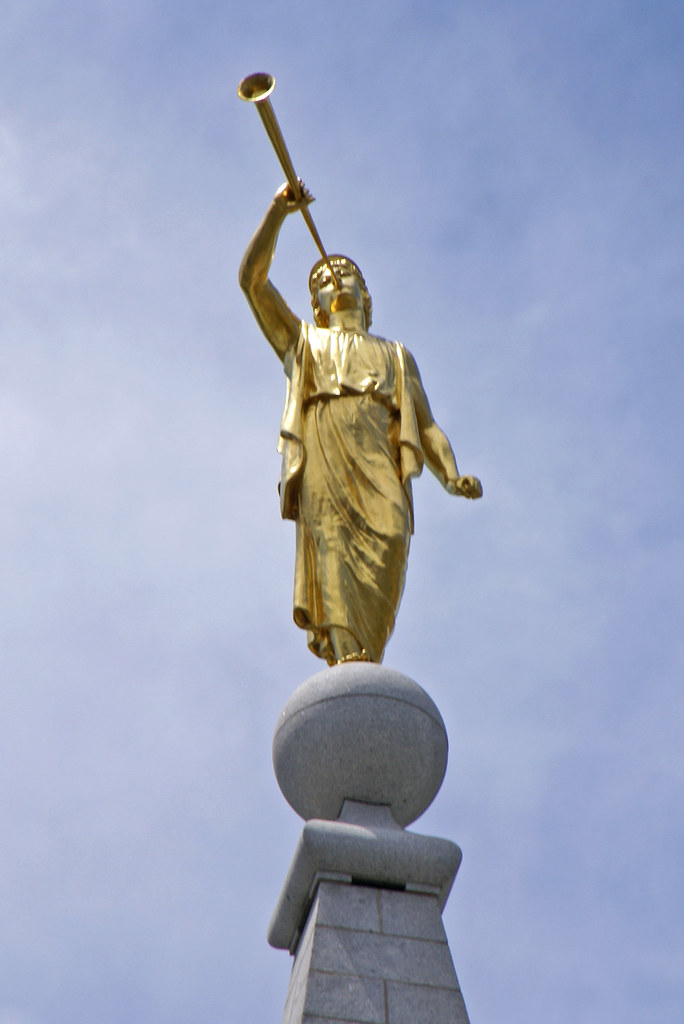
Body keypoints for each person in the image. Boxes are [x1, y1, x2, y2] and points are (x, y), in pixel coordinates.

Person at [239, 182, 482, 665]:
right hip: (326, 462)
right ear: (315, 304)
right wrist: (278, 212)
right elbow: (253, 281)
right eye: (325, 281)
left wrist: (451, 475)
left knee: (391, 537)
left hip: (378, 466)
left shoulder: (395, 356)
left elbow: (426, 426)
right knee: (331, 546)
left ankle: (368, 663)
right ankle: (348, 655)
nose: (336, 280)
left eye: (347, 274)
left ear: (366, 295)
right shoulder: (305, 344)